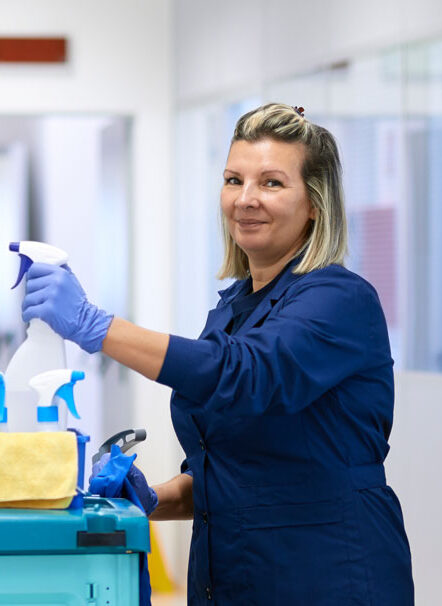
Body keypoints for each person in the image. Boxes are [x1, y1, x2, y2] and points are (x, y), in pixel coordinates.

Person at [21, 103, 414, 604]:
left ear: (314, 203)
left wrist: (96, 328)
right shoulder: (231, 311)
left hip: (327, 575)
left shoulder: (341, 300)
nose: (246, 199)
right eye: (234, 180)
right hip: (232, 576)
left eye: (271, 183)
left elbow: (245, 375)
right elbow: (233, 469)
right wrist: (152, 498)